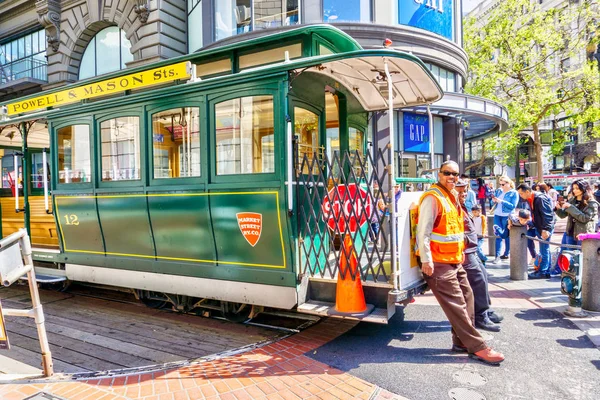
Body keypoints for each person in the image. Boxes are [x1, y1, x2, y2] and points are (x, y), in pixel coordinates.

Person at [417, 161, 504, 365]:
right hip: (438, 262)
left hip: (454, 260)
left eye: (455, 174)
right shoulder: (433, 198)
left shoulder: (451, 196)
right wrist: (426, 259)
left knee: (467, 298)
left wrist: (460, 254)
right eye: (447, 173)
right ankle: (478, 347)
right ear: (439, 175)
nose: (452, 177)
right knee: (457, 305)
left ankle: (461, 342)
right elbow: (424, 232)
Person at [456, 180, 503, 331]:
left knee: (482, 276)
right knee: (477, 279)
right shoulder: (452, 206)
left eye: (465, 192)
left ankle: (485, 310)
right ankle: (481, 315)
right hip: (464, 251)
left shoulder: (461, 205)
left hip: (470, 249)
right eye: (460, 192)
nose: (463, 195)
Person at [516, 183, 556, 279]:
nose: (520, 196)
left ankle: (543, 271)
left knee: (544, 249)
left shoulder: (540, 198)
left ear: (528, 191)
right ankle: (544, 270)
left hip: (544, 227)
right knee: (543, 249)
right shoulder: (530, 198)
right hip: (538, 225)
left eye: (521, 193)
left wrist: (546, 229)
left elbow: (548, 215)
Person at [554, 179, 598, 257]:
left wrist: (571, 207)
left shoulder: (591, 203)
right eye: (573, 188)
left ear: (584, 188)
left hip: (583, 234)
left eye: (577, 188)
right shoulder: (572, 200)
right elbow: (563, 215)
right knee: (570, 259)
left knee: (582, 259)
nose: (574, 190)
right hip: (570, 232)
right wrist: (557, 209)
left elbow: (584, 218)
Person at [491, 177, 519, 263]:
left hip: (507, 216)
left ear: (508, 183)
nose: (501, 186)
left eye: (503, 184)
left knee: (507, 236)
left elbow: (512, 206)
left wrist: (502, 201)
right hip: (497, 215)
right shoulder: (499, 191)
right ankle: (497, 256)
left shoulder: (514, 193)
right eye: (500, 184)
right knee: (498, 235)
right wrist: (494, 201)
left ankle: (506, 253)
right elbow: (493, 203)